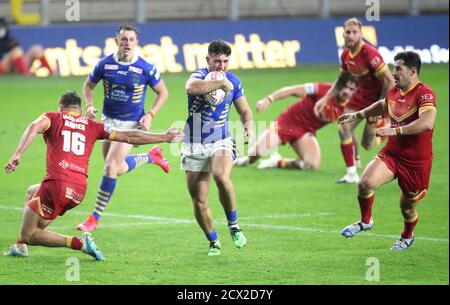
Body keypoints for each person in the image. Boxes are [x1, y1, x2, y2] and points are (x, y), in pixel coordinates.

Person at [3, 91, 182, 260]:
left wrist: (17, 155)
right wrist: (164, 137)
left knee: (29, 234)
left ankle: (77, 243)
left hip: (56, 185)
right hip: (79, 190)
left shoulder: (52, 117)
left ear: (61, 107)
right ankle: (19, 247)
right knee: (31, 192)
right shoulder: (93, 125)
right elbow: (129, 137)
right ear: (79, 110)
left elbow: (34, 126)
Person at [76, 24, 170, 231]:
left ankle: (94, 218)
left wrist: (150, 114)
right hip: (108, 121)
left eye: (131, 40)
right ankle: (151, 157)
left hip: (131, 123)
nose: (127, 43)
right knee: (115, 168)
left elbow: (163, 93)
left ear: (137, 43)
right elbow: (88, 85)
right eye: (123, 39)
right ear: (116, 41)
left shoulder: (146, 68)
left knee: (110, 167)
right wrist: (90, 106)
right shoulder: (105, 64)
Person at [339, 51, 436, 250]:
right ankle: (366, 221)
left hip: (416, 162)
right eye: (393, 68)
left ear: (413, 71)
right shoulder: (393, 91)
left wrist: (394, 130)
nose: (393, 72)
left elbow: (427, 123)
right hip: (392, 154)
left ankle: (407, 236)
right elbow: (383, 105)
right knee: (365, 183)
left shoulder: (424, 93)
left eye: (398, 68)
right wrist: (357, 114)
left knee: (407, 208)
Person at [182, 39, 254, 256]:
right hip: (193, 142)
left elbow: (245, 112)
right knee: (199, 201)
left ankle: (234, 226)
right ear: (207, 60)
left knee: (221, 176)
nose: (221, 66)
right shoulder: (198, 77)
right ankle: (213, 241)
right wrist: (220, 84)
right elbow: (191, 88)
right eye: (217, 61)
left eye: (225, 61)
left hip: (221, 139)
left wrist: (249, 128)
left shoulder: (234, 81)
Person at [314, 17, 395, 184]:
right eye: (348, 32)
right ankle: (351, 174)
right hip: (360, 97)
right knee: (343, 126)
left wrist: (380, 108)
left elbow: (389, 81)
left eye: (354, 32)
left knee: (368, 144)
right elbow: (342, 80)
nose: (351, 35)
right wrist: (326, 98)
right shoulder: (345, 55)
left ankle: (386, 130)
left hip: (379, 99)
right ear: (342, 34)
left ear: (360, 34)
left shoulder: (370, 54)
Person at [234, 72, 358, 170]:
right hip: (287, 123)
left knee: (312, 165)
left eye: (351, 89)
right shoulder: (322, 89)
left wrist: (356, 157)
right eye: (345, 87)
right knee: (254, 155)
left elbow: (348, 131)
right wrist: (269, 99)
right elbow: (292, 90)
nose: (346, 91)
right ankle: (245, 160)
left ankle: (277, 162)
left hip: (305, 132)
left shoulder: (349, 108)